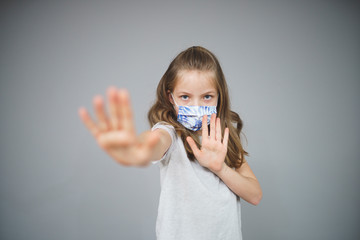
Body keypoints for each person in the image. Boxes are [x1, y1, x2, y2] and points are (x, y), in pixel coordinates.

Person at [78, 46, 262, 240]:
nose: (196, 106)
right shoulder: (170, 133)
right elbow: (155, 142)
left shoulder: (224, 139)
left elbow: (255, 195)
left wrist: (220, 168)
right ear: (170, 97)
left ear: (219, 97)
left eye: (207, 97)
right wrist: (136, 147)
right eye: (185, 97)